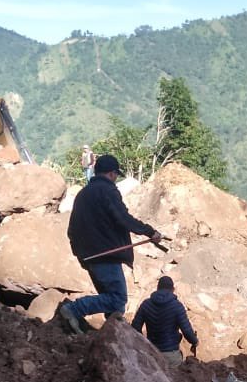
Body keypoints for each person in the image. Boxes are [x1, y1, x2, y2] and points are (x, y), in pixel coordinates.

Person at [56, 154, 163, 335]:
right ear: (112, 174)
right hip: (106, 255)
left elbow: (71, 230)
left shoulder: (83, 194)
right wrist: (149, 231)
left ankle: (114, 337)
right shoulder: (108, 191)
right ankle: (74, 310)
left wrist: (79, 254)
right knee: (117, 299)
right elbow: (123, 218)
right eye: (115, 175)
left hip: (90, 257)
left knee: (114, 307)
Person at [132, 276, 198, 364]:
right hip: (171, 355)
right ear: (173, 289)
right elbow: (187, 331)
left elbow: (135, 328)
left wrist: (144, 345)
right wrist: (195, 341)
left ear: (157, 288)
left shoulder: (146, 304)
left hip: (151, 354)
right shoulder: (177, 306)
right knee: (175, 375)